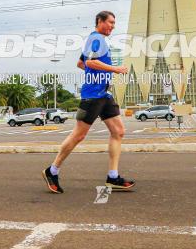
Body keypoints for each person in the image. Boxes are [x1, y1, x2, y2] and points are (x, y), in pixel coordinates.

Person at [42, 10, 135, 194]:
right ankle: (52, 171)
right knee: (79, 135)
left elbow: (81, 63)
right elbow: (91, 62)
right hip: (92, 95)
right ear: (99, 21)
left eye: (114, 23)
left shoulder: (98, 40)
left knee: (118, 131)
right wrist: (114, 69)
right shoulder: (97, 38)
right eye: (110, 22)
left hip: (103, 94)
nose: (112, 26)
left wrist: (97, 74)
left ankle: (113, 176)